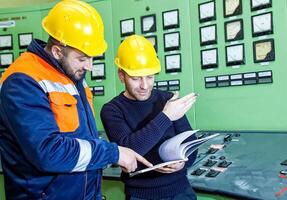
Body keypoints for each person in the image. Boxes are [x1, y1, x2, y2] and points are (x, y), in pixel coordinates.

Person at [0, 1, 152, 199]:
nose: (89, 66)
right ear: (57, 51)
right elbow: (48, 152)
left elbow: (82, 139)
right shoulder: (22, 81)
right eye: (82, 58)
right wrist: (112, 153)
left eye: (92, 58)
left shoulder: (71, 73)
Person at [100, 35, 198, 200]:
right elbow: (130, 151)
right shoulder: (112, 110)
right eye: (136, 78)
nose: (144, 85)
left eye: (150, 76)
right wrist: (166, 116)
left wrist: (183, 162)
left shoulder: (167, 99)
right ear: (121, 75)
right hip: (141, 195)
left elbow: (190, 145)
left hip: (182, 191)